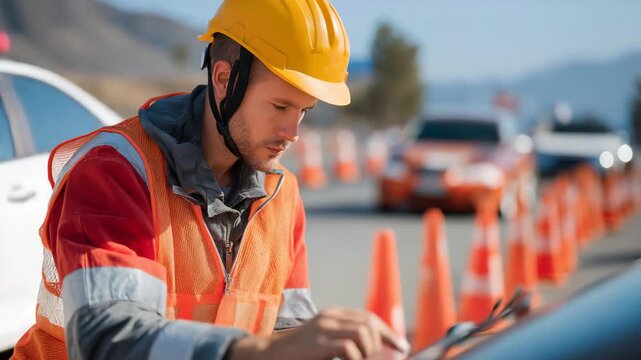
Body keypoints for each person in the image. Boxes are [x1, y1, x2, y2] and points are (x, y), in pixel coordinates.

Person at [12, 0, 410, 359]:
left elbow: (288, 331)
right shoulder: (116, 170)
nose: (293, 131)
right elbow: (106, 340)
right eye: (280, 105)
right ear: (224, 79)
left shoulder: (281, 193)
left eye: (304, 110)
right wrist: (258, 352)